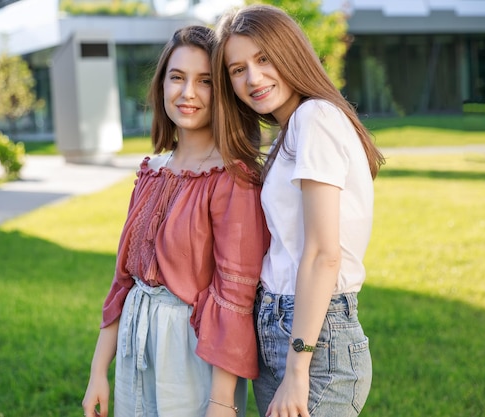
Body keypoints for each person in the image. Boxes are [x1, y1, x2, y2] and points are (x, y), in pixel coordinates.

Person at [82, 25, 269, 417]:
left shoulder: (234, 179)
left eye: (205, 82)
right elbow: (123, 281)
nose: (187, 93)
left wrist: (221, 402)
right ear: (161, 84)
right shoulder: (152, 170)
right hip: (136, 341)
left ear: (222, 93)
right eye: (177, 78)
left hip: (190, 352)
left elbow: (234, 297)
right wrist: (99, 370)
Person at [213, 5, 385, 417]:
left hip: (313, 335)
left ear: (290, 52)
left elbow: (323, 253)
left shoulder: (315, 118)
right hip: (282, 322)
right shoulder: (291, 130)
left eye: (263, 59)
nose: (252, 78)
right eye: (238, 70)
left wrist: (297, 367)